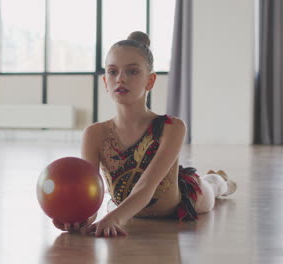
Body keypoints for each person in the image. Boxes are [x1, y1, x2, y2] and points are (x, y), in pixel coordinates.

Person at [53, 31, 237, 237]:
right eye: (113, 72)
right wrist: (79, 219)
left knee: (212, 188)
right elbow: (91, 197)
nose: (121, 78)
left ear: (150, 81)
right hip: (127, 210)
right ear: (105, 82)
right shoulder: (94, 134)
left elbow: (146, 187)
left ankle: (219, 179)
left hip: (181, 201)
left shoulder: (172, 127)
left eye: (132, 72)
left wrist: (114, 217)